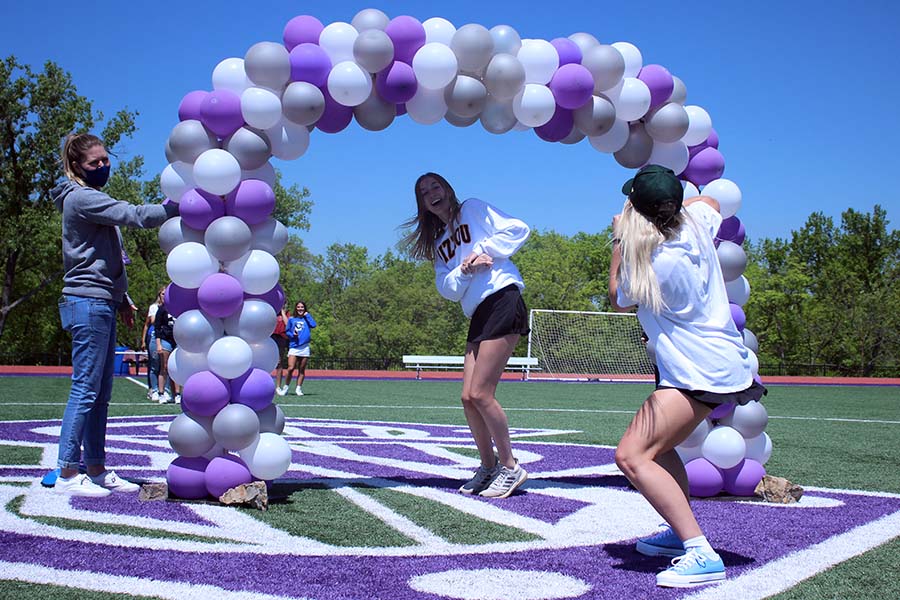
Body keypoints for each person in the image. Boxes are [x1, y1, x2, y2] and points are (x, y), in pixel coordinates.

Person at [608, 164, 766, 587]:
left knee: (631, 455)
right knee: (658, 450)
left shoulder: (654, 263)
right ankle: (682, 535)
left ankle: (700, 552)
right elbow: (711, 202)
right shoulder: (696, 223)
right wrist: (674, 206)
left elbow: (617, 297)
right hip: (717, 364)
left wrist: (619, 241)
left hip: (697, 372)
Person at [53, 132, 178, 497]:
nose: (104, 166)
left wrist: (121, 297)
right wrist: (178, 205)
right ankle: (65, 473)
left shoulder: (89, 198)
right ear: (77, 166)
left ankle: (95, 468)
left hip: (102, 301)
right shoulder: (82, 199)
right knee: (86, 389)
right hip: (87, 302)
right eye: (95, 163)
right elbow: (135, 216)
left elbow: (106, 255)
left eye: (105, 159)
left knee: (101, 392)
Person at [402, 173, 531, 499]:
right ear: (422, 205)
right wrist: (465, 269)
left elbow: (518, 229)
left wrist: (483, 248)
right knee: (468, 397)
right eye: (424, 191)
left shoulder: (472, 210)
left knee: (482, 393)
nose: (432, 193)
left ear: (447, 189)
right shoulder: (439, 243)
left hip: (502, 297)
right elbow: (446, 289)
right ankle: (488, 467)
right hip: (477, 312)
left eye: (435, 186)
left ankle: (511, 466)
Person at [282, 301, 316, 396]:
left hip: (304, 347)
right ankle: (286, 387)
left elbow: (314, 325)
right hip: (294, 347)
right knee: (291, 368)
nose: (300, 309)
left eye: (302, 307)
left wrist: (307, 315)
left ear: (304, 309)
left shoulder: (307, 319)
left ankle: (298, 388)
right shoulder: (292, 319)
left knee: (301, 370)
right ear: (296, 308)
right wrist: (293, 334)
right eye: (298, 307)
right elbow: (287, 331)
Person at [154, 292, 181, 404]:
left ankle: (177, 394)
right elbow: (157, 327)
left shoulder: (179, 308)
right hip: (165, 340)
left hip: (177, 340)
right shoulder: (162, 309)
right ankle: (161, 393)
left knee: (176, 368)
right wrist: (158, 344)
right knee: (164, 367)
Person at [141, 287, 164, 401]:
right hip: (154, 335)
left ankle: (164, 390)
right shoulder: (154, 307)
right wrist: (143, 340)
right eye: (162, 294)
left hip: (166, 336)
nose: (164, 296)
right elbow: (149, 323)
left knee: (164, 365)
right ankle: (152, 389)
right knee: (154, 364)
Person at [272, 302, 290, 395]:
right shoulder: (271, 311)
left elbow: (288, 324)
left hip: (281, 338)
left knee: (279, 363)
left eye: (284, 303)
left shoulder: (287, 314)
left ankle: (278, 387)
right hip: (270, 337)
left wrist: (282, 312)